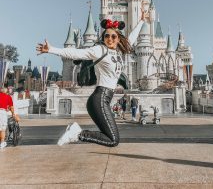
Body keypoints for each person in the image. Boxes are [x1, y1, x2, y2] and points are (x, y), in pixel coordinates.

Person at [36, 9, 146, 147]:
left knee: (111, 138)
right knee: (113, 140)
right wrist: (52, 49)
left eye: (113, 36)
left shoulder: (118, 52)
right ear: (103, 37)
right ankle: (77, 133)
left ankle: (77, 133)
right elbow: (77, 53)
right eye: (107, 36)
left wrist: (141, 20)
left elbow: (131, 38)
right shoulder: (99, 50)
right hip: (99, 98)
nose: (110, 39)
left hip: (104, 99)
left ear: (118, 38)